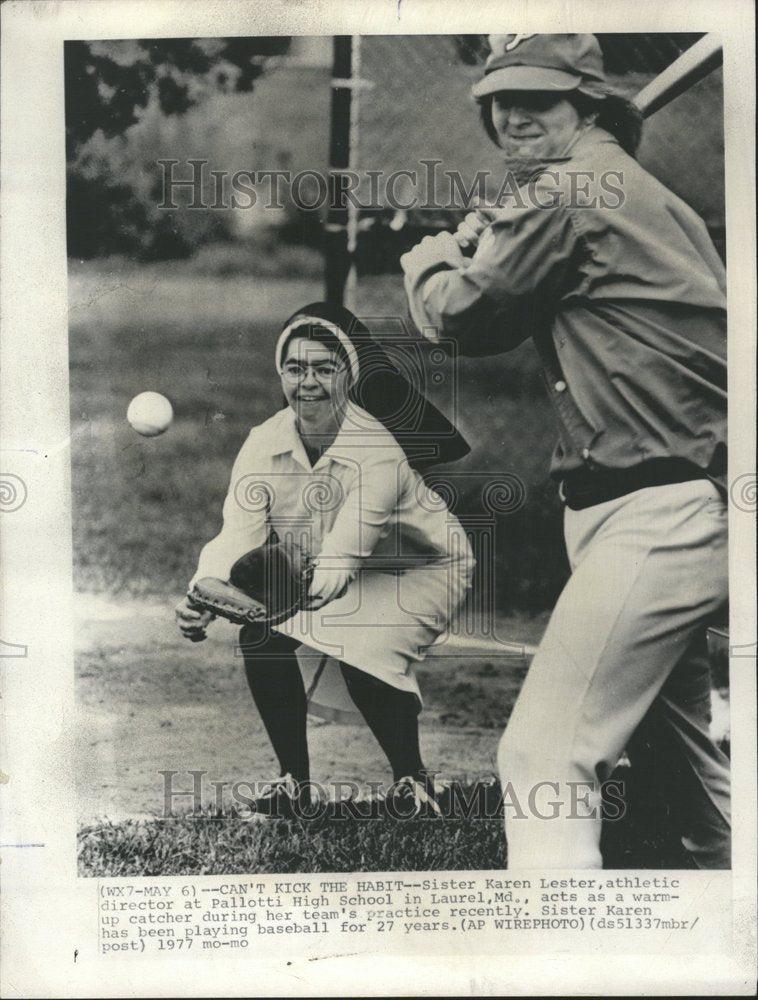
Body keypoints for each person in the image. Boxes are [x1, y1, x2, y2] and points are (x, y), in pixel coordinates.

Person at [401, 34, 729, 867]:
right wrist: (500, 238)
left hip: (659, 516)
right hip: (672, 502)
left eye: (539, 99)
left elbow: (468, 318)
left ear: (588, 104)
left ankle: (553, 958)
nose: (513, 115)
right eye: (499, 101)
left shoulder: (570, 189)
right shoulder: (634, 189)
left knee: (543, 757)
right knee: (696, 778)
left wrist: (434, 261)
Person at [175, 303, 474, 815]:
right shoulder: (263, 443)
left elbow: (344, 554)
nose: (306, 382)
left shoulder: (377, 447)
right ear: (281, 374)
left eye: (323, 368)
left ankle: (413, 783)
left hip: (423, 567)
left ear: (349, 375)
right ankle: (295, 785)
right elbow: (236, 534)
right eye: (294, 368)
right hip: (334, 567)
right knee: (261, 635)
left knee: (355, 643)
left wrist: (272, 599)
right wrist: (204, 591)